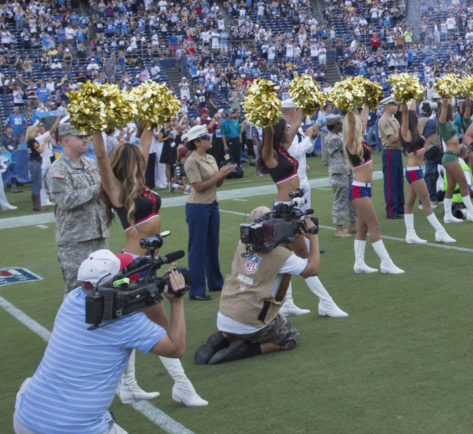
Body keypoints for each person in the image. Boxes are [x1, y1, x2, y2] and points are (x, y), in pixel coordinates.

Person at [13, 249, 187, 434]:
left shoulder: (72, 300)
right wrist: (176, 301)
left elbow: (117, 293)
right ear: (116, 283)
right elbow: (175, 348)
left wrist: (154, 283)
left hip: (25, 422)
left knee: (30, 385)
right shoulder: (128, 323)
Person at [92, 125, 206, 407]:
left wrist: (150, 120)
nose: (142, 162)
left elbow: (144, 144)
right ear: (127, 164)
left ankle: (128, 385)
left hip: (148, 263)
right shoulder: (117, 191)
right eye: (137, 160)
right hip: (133, 268)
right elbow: (102, 159)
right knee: (163, 328)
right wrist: (94, 129)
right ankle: (182, 386)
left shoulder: (139, 185)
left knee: (129, 323)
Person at [194, 206, 321, 364]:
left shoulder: (242, 244)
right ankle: (244, 349)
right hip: (250, 320)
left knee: (265, 316)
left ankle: (227, 338)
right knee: (290, 337)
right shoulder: (281, 256)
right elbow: (312, 269)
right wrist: (313, 238)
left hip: (225, 314)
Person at [262, 107, 348, 317]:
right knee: (303, 256)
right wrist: (266, 118)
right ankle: (325, 303)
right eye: (285, 129)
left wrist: (304, 103)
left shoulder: (284, 148)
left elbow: (297, 122)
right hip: (284, 212)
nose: (289, 131)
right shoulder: (270, 154)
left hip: (293, 209)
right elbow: (269, 132)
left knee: (286, 258)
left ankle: (286, 303)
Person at [44, 122, 110, 293]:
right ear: (66, 141)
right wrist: (97, 189)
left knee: (105, 287)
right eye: (80, 137)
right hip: (75, 242)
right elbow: (65, 200)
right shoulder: (58, 169)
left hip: (98, 236)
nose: (86, 139)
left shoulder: (90, 164)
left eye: (86, 136)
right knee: (77, 291)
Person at [344, 105, 405, 274]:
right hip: (359, 190)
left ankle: (359, 263)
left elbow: (363, 118)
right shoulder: (351, 143)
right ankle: (386, 263)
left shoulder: (360, 139)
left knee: (363, 228)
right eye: (357, 123)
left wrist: (366, 104)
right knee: (375, 226)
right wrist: (350, 106)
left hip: (365, 189)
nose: (361, 124)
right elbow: (353, 122)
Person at [183, 124, 237, 301]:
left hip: (212, 204)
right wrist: (220, 174)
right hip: (198, 206)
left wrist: (223, 174)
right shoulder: (191, 161)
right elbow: (198, 187)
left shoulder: (210, 158)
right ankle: (196, 289)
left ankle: (215, 281)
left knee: (212, 246)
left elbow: (216, 183)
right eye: (205, 138)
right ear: (197, 142)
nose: (209, 139)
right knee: (197, 249)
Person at [398, 100, 455, 244]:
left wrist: (411, 97)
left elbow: (411, 109)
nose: (418, 117)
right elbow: (405, 113)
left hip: (415, 170)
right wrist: (403, 102)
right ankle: (440, 232)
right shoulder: (406, 134)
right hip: (414, 172)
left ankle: (410, 234)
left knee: (409, 203)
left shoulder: (415, 132)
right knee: (427, 203)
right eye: (416, 116)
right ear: (412, 120)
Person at [437, 96, 473, 224]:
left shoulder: (449, 123)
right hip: (450, 157)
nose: (454, 111)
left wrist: (466, 97)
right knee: (463, 184)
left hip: (453, 157)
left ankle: (447, 215)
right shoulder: (442, 124)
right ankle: (472, 213)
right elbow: (444, 107)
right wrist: (445, 100)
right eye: (452, 110)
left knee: (451, 187)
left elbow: (465, 109)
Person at [322, 114, 357, 238]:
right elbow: (347, 146)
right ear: (336, 125)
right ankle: (339, 228)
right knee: (341, 200)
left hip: (347, 170)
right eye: (341, 123)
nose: (342, 125)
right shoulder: (332, 138)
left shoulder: (338, 136)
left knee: (352, 198)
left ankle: (352, 223)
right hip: (338, 172)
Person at [378, 97, 404, 219]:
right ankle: (392, 211)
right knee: (391, 182)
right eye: (394, 104)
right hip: (390, 151)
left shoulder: (394, 120)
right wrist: (404, 137)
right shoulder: (384, 120)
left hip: (396, 151)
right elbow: (392, 138)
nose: (396, 107)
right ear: (387, 106)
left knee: (398, 181)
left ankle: (399, 207)